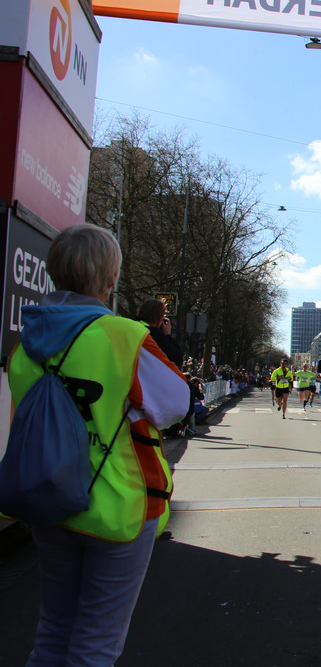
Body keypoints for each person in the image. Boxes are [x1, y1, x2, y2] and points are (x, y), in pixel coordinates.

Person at [7, 223, 189, 667]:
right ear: (111, 278)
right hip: (117, 508)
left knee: (52, 633)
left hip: (47, 500)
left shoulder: (27, 342)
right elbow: (176, 404)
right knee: (95, 645)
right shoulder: (123, 337)